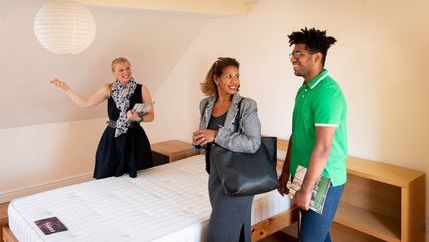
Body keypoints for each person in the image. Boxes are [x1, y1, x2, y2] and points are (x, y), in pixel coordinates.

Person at [278, 28, 348, 242]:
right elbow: (297, 133)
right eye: (293, 53)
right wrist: (286, 171)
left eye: (298, 53)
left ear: (317, 57)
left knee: (310, 238)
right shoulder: (305, 89)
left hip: (324, 177)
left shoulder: (328, 93)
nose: (293, 58)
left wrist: (306, 190)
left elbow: (323, 147)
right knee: (318, 235)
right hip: (303, 172)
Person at [192, 57, 261, 242]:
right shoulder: (205, 105)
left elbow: (253, 143)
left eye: (236, 76)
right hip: (215, 176)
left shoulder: (246, 105)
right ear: (216, 79)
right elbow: (207, 137)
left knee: (218, 235)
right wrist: (199, 140)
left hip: (239, 178)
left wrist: (215, 135)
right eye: (229, 76)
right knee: (238, 233)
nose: (234, 81)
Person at [50, 57, 154, 179]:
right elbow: (85, 103)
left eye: (128, 68)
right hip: (112, 139)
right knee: (107, 175)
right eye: (121, 70)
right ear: (114, 73)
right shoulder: (108, 89)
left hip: (135, 139)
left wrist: (138, 118)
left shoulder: (142, 89)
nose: (126, 72)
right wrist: (66, 88)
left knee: (141, 179)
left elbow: (151, 116)